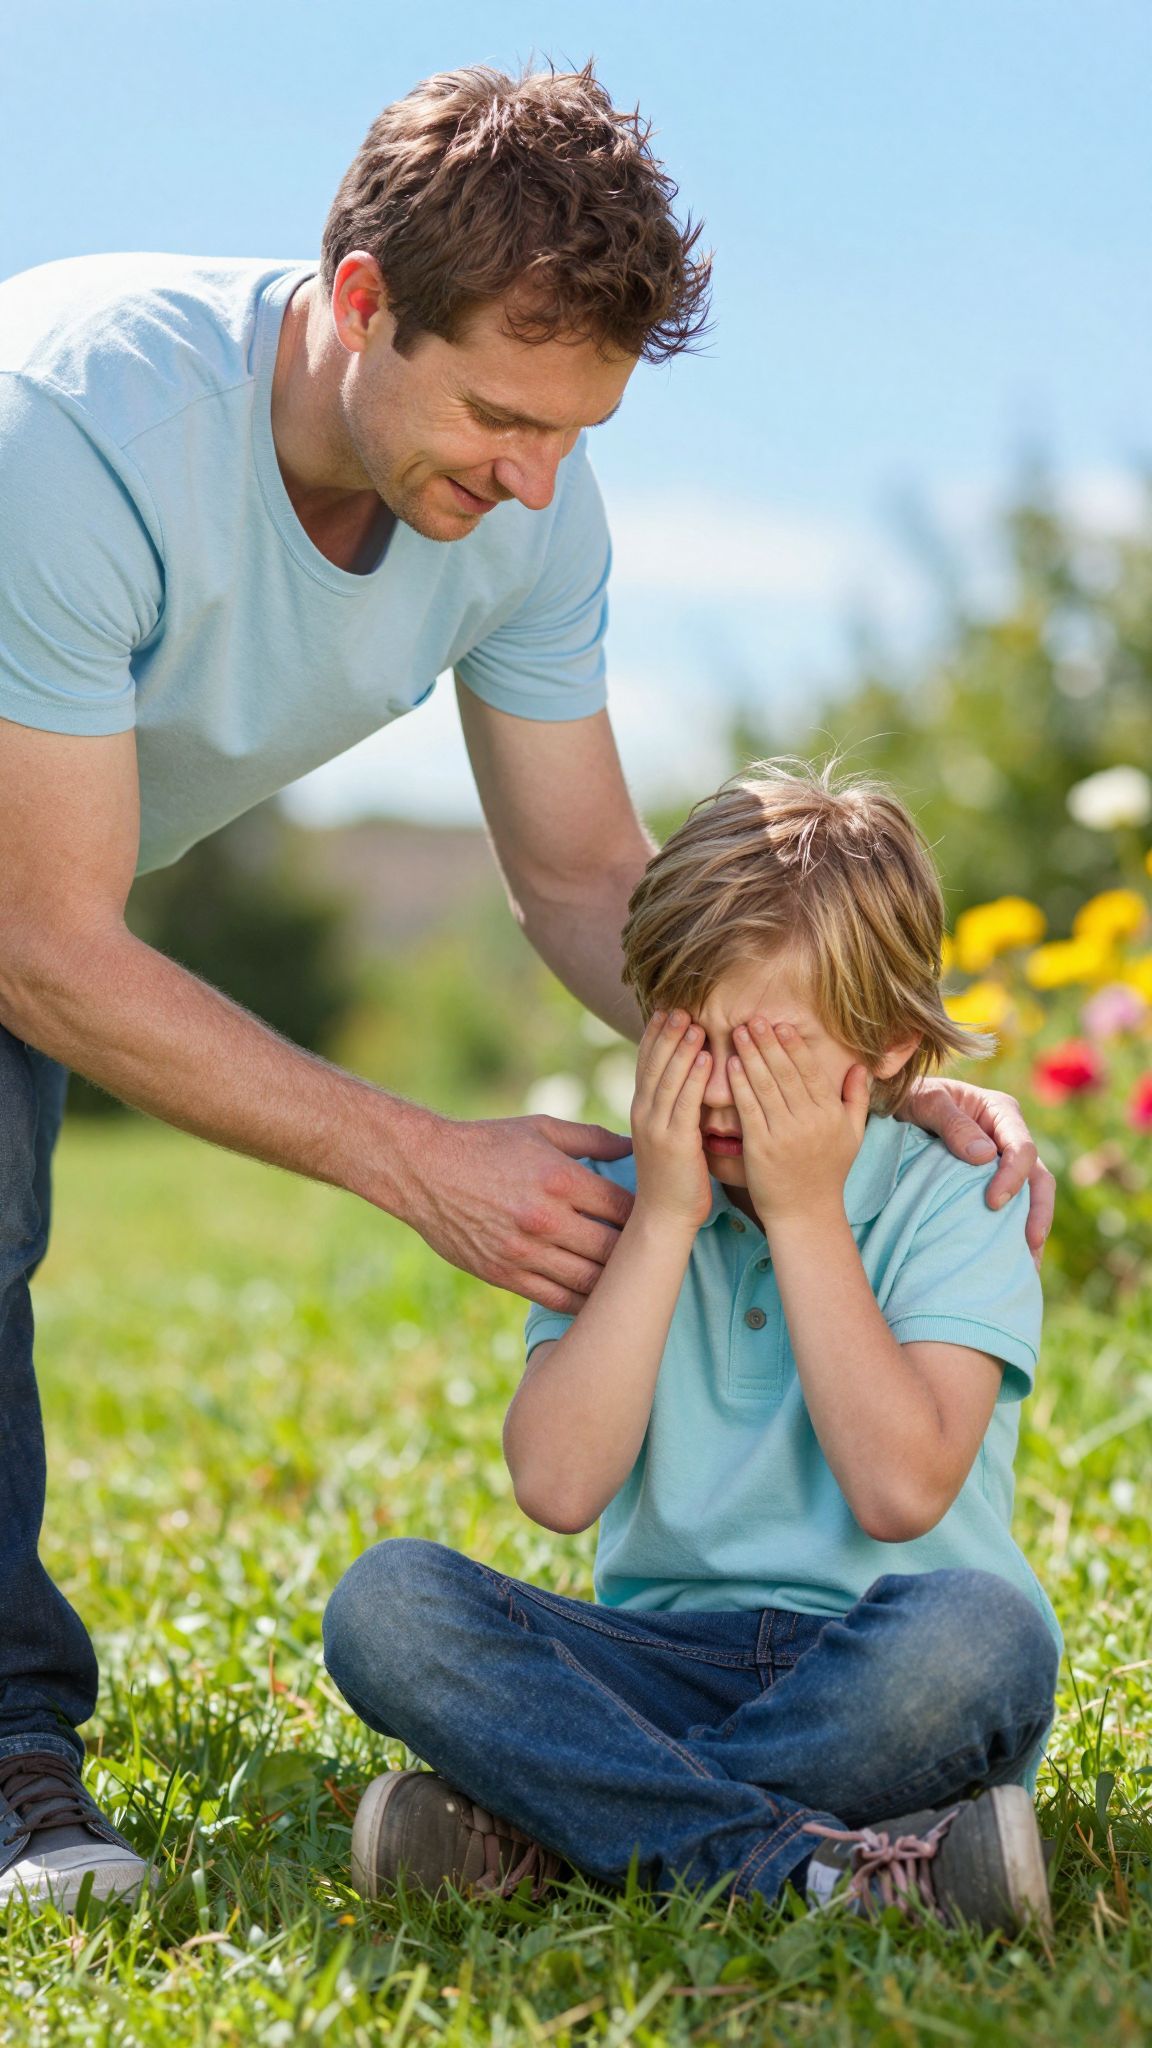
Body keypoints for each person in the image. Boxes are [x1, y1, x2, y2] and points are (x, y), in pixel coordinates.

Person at [0, 64, 1051, 1907]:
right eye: (498, 413)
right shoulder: (67, 432)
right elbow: (42, 942)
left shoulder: (529, 510)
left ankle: (590, 1817)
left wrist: (841, 1071)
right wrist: (416, 1153)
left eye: (575, 433)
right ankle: (17, 1758)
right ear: (354, 303)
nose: (533, 481)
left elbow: (586, 880)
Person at [323, 761, 1061, 1933]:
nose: (720, 1092)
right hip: (657, 1660)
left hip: (887, 1656)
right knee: (388, 1602)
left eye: (765, 1053)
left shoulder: (956, 1198)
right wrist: (663, 1218)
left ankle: (565, 1823)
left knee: (985, 1635)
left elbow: (901, 1486)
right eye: (690, 1042)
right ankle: (818, 1862)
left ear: (877, 1049)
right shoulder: (618, 1205)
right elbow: (557, 1486)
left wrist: (810, 1213)